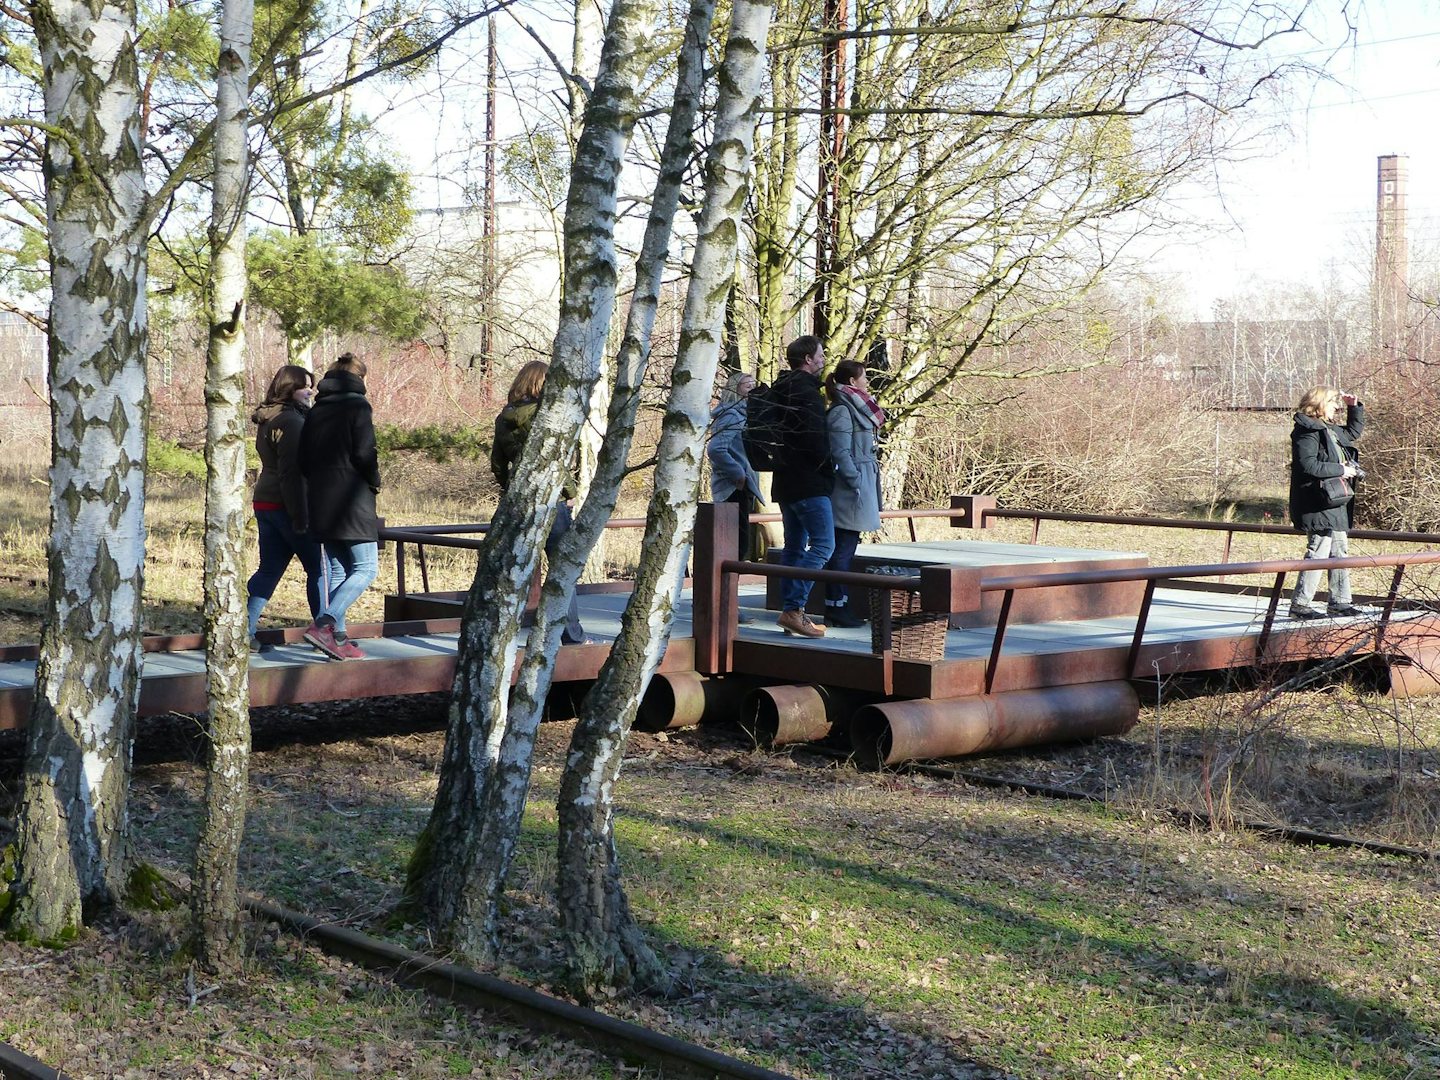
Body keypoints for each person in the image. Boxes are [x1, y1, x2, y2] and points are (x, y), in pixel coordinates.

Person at [490, 361, 590, 645]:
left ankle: (503, 635)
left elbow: (497, 464)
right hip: (551, 502)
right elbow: (555, 462)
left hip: (518, 503)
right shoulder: (545, 417)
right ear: (541, 384)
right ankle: (571, 635)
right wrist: (569, 493)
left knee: (516, 568)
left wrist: (511, 488)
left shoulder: (504, 417)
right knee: (562, 568)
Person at [300, 353, 382, 659]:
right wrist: (374, 480)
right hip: (352, 499)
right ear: (360, 378)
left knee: (337, 570)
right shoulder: (358, 406)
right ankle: (325, 623)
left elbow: (303, 460)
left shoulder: (316, 409)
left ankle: (337, 638)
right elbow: (364, 452)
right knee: (365, 568)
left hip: (321, 501)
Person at [246, 364, 324, 652]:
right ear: (289, 388)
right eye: (305, 386)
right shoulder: (291, 422)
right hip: (286, 504)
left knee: (269, 569)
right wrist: (301, 516)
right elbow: (292, 473)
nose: (311, 391)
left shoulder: (269, 418)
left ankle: (242, 630)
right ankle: (324, 632)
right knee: (319, 570)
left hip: (265, 500)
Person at [771, 334, 835, 638]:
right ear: (808, 359)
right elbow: (814, 439)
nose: (823, 359)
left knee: (794, 547)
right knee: (824, 544)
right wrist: (829, 465)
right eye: (820, 355)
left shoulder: (781, 388)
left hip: (785, 481)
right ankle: (794, 609)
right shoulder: (806, 392)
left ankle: (791, 611)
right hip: (809, 481)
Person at [1288, 385, 1365, 620]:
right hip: (1317, 501)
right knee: (1319, 549)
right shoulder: (1307, 431)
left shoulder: (1328, 429)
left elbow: (1352, 433)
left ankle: (1340, 602)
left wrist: (1354, 408)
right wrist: (1341, 469)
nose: (1337, 407)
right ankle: (1300, 605)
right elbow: (1308, 465)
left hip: (1335, 500)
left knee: (1339, 548)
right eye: (1334, 403)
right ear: (1320, 403)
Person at [822, 359, 884, 628]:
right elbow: (840, 451)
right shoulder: (842, 411)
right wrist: (855, 480)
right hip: (850, 490)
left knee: (847, 545)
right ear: (851, 382)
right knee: (842, 548)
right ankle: (836, 607)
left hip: (861, 483)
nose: (867, 382)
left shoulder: (857, 408)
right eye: (864, 377)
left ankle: (839, 605)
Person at [707, 370, 764, 565]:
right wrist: (738, 474)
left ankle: (728, 590)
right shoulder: (732, 416)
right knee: (737, 545)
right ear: (735, 390)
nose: (753, 389)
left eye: (753, 385)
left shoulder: (746, 415)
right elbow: (716, 449)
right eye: (748, 386)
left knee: (739, 544)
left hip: (741, 485)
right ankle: (725, 592)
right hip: (733, 487)